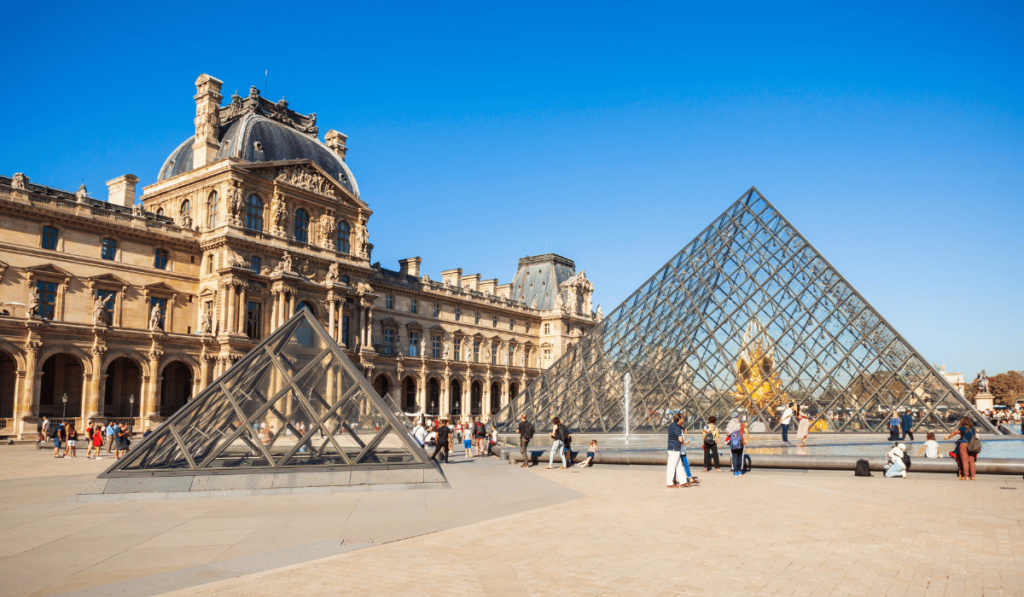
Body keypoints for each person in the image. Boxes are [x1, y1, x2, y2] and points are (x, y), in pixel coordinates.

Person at [666, 412, 692, 488]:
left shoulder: (672, 425)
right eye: (683, 418)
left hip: (672, 448)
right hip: (675, 448)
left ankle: (683, 481)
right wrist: (685, 442)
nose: (684, 419)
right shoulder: (677, 427)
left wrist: (683, 428)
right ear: (679, 419)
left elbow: (678, 429)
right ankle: (669, 483)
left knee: (678, 465)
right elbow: (680, 439)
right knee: (672, 466)